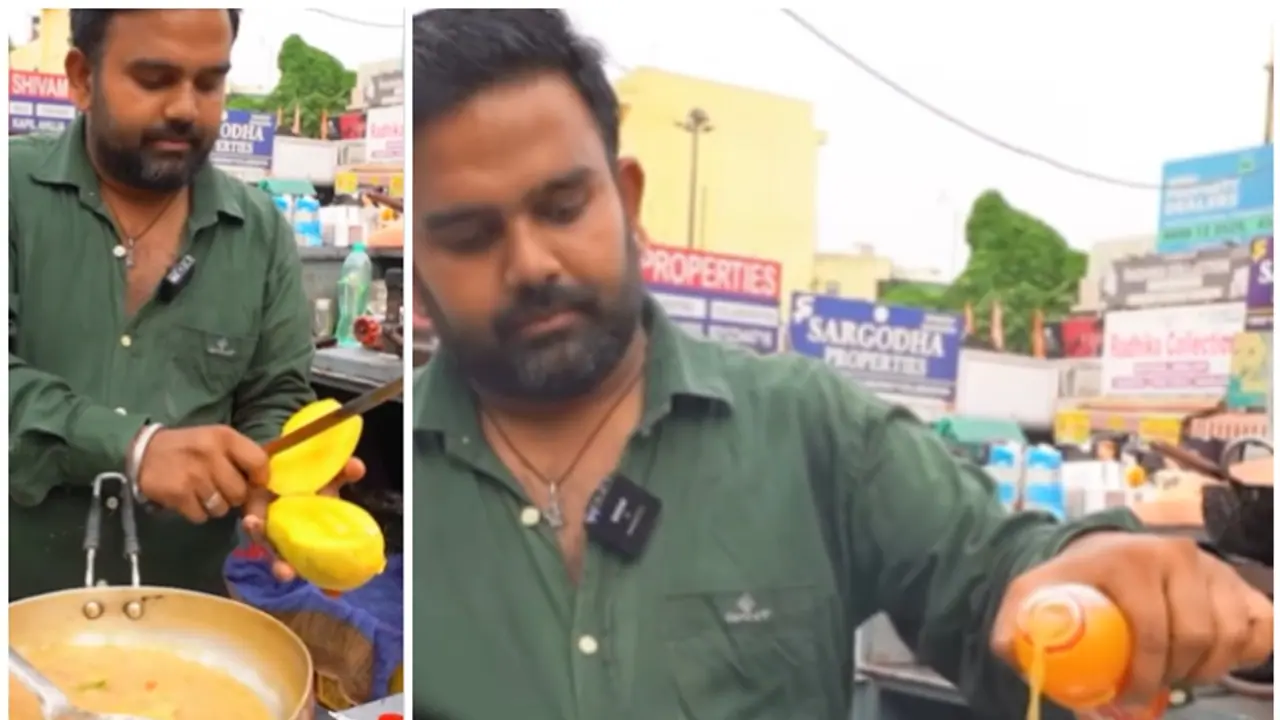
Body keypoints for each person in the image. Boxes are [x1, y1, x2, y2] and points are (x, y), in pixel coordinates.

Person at [409, 10, 1272, 720]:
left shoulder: (813, 432)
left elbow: (994, 578)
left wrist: (1090, 581)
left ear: (628, 199)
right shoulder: (377, 468)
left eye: (563, 207)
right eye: (469, 235)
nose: (531, 263)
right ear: (415, 264)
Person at [8, 9, 360, 600]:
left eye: (209, 82)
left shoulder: (259, 231)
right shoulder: (11, 192)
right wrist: (134, 447)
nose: (186, 109)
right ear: (81, 78)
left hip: (184, 626)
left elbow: (273, 396)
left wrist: (279, 481)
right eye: (154, 79)